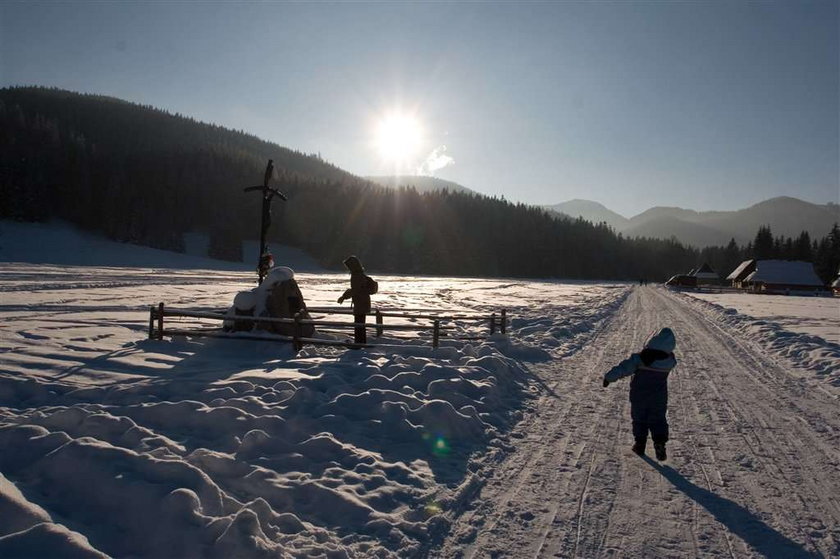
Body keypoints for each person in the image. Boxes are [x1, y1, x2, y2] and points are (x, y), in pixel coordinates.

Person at [602, 328, 677, 461]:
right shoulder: (669, 361)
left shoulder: (639, 358)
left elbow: (624, 368)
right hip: (658, 397)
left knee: (639, 419)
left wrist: (609, 377)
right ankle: (659, 443)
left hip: (639, 396)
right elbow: (671, 359)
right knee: (658, 419)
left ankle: (640, 444)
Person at [337, 255, 377, 344]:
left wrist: (344, 296)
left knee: (359, 324)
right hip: (363, 302)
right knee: (360, 323)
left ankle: (359, 343)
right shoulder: (360, 274)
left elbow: (355, 290)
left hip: (360, 303)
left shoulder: (356, 276)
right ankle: (360, 342)